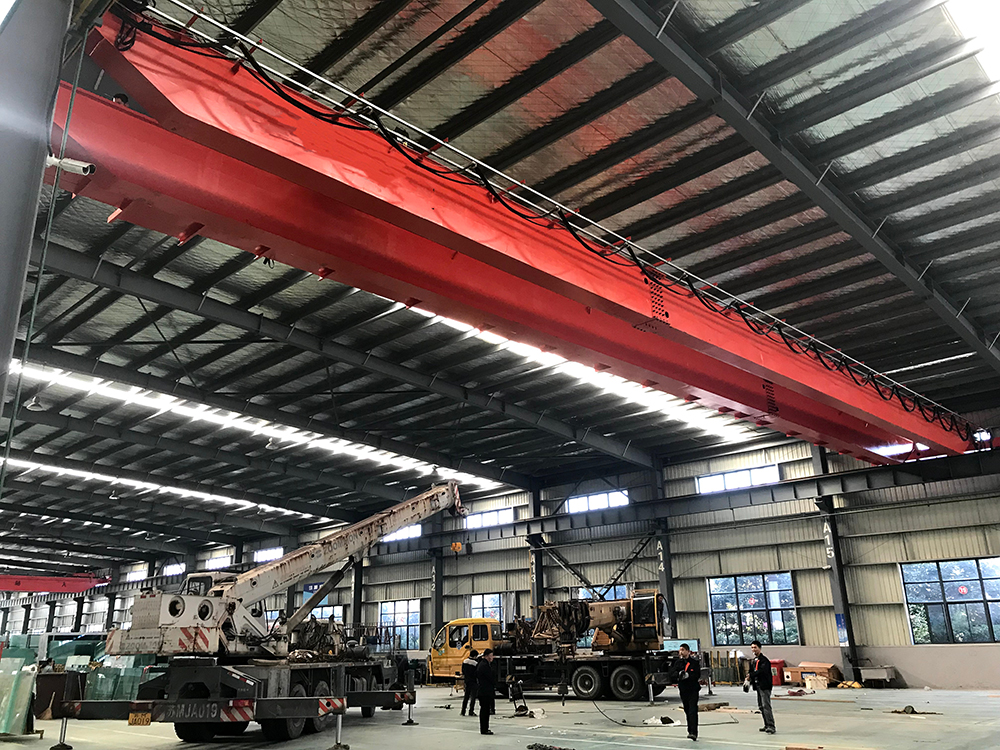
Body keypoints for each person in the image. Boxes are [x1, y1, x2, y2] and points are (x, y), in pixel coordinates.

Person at [744, 640, 775, 734]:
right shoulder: (754, 661)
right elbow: (751, 671)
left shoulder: (764, 661)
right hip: (757, 686)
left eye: (755, 647)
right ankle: (766, 725)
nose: (753, 649)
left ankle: (771, 726)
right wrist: (748, 677)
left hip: (764, 686)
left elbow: (761, 671)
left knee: (766, 706)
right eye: (752, 648)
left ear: (759, 648)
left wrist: (752, 675)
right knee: (761, 706)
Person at [675, 643, 701, 741]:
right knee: (687, 710)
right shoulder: (678, 663)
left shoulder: (694, 663)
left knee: (692, 711)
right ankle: (690, 731)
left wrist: (689, 675)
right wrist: (678, 675)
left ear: (687, 651)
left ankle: (694, 732)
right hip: (683, 690)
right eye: (680, 650)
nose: (681, 652)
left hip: (693, 689)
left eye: (682, 650)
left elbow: (697, 674)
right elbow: (672, 673)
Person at [476, 648, 496, 735]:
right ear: (487, 656)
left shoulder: (483, 664)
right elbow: (490, 677)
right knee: (485, 711)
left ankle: (485, 728)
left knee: (485, 710)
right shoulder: (484, 666)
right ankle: (484, 729)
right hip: (485, 691)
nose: (493, 657)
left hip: (484, 690)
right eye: (491, 655)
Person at [461, 648, 479, 717]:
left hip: (467, 681)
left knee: (466, 697)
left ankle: (463, 711)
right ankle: (471, 711)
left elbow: (463, 671)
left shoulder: (465, 661)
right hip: (473, 682)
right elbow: (477, 673)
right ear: (474, 656)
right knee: (473, 697)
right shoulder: (475, 663)